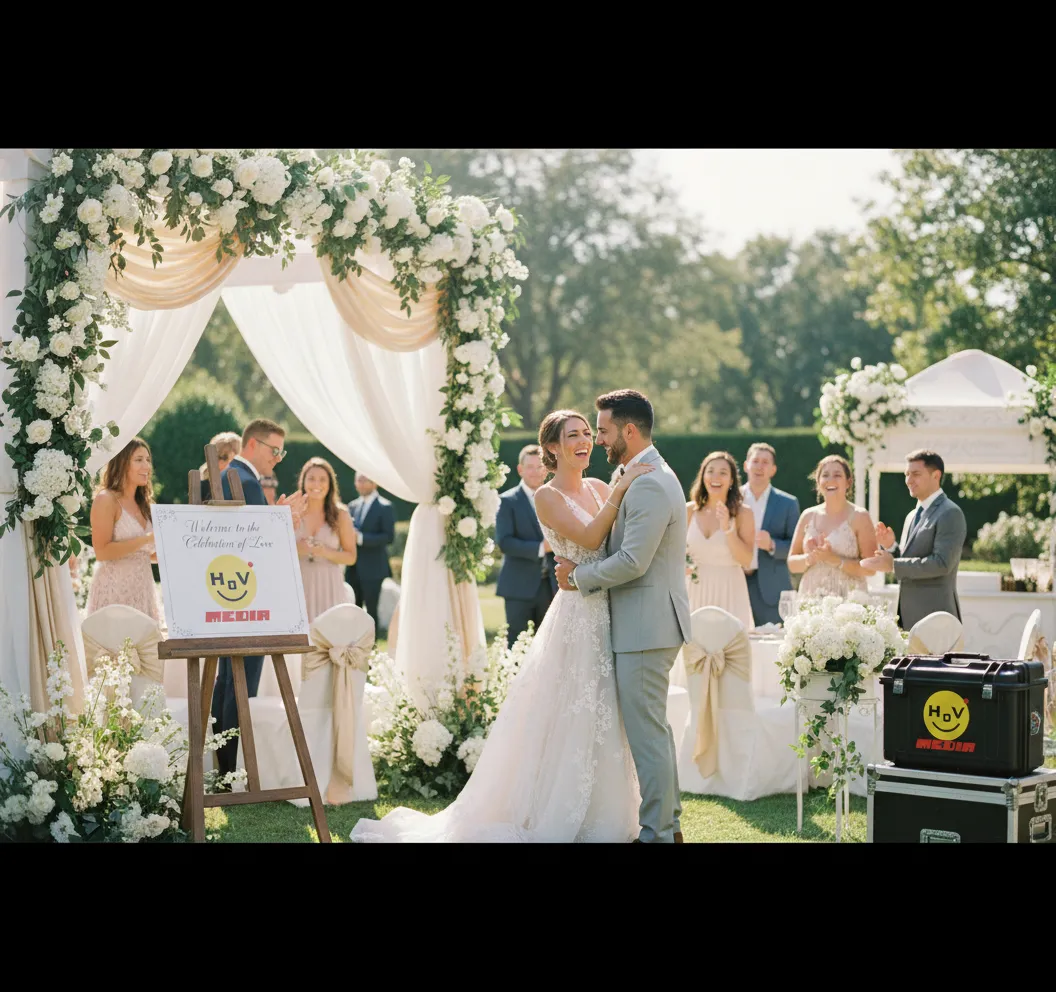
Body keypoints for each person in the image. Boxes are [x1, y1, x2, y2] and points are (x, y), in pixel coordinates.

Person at [349, 408, 653, 843]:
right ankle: (558, 809)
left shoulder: (600, 487)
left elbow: (621, 544)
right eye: (573, 434)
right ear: (552, 447)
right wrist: (622, 488)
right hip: (577, 617)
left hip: (609, 608)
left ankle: (607, 810)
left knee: (608, 710)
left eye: (588, 432)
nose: (585, 440)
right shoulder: (547, 496)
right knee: (576, 708)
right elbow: (588, 538)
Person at [211, 417, 306, 778]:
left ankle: (224, 765)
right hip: (250, 599)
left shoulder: (228, 476)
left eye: (282, 452)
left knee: (226, 681)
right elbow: (259, 546)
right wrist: (286, 521)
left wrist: (276, 517)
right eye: (274, 450)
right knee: (241, 685)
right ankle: (234, 767)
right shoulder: (246, 482)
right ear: (252, 444)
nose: (278, 458)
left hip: (230, 594)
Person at [860, 449, 966, 631]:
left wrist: (893, 564)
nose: (908, 480)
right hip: (907, 617)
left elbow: (942, 564)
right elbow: (908, 559)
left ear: (936, 476)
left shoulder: (950, 513)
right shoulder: (911, 515)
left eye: (915, 474)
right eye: (906, 474)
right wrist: (891, 547)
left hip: (936, 617)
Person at [86, 437, 161, 621]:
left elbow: (144, 554)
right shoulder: (106, 499)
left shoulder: (144, 504)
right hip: (114, 593)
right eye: (139, 460)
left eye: (148, 460)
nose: (146, 466)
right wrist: (147, 538)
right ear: (121, 463)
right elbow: (102, 552)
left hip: (143, 592)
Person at [788, 455, 878, 599]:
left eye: (837, 475)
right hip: (810, 598)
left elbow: (871, 568)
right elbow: (791, 564)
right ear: (818, 482)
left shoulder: (860, 516)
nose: (830, 480)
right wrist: (809, 558)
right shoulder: (808, 515)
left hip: (848, 600)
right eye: (825, 475)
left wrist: (835, 560)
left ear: (848, 482)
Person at [495, 444, 558, 647]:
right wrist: (541, 548)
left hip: (550, 586)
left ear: (546, 469)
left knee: (547, 646)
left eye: (540, 467)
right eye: (530, 467)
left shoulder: (555, 499)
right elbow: (505, 542)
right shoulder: (507, 501)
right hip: (518, 587)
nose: (535, 471)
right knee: (517, 646)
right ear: (520, 469)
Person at [685, 450, 756, 631]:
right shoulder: (688, 511)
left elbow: (746, 560)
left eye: (723, 472)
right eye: (710, 471)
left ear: (731, 481)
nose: (715, 477)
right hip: (694, 592)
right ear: (703, 476)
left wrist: (728, 529)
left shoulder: (743, 513)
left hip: (730, 592)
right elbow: (671, 552)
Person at [740, 442, 800, 626]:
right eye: (755, 461)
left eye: (765, 462)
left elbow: (796, 548)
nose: (760, 466)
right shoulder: (730, 499)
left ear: (773, 470)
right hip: (734, 583)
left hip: (772, 591)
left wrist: (773, 545)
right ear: (746, 465)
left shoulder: (788, 503)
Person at [296, 457, 357, 621]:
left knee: (330, 633)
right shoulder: (292, 511)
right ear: (303, 482)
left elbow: (351, 557)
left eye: (322, 479)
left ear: (330, 484)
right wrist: (296, 549)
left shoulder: (341, 514)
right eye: (311, 478)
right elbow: (276, 550)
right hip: (298, 585)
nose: (317, 484)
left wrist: (325, 552)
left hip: (329, 585)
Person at [344, 472, 395, 631]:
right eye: (359, 480)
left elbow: (388, 537)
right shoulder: (352, 506)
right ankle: (354, 640)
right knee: (353, 608)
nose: (361, 483)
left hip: (374, 568)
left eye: (365, 480)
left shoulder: (385, 506)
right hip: (353, 566)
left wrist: (361, 538)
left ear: (375, 482)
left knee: (371, 609)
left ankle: (371, 641)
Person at [199, 431, 241, 502]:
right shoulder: (202, 487)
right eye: (218, 457)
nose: (220, 462)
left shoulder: (244, 483)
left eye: (224, 457)